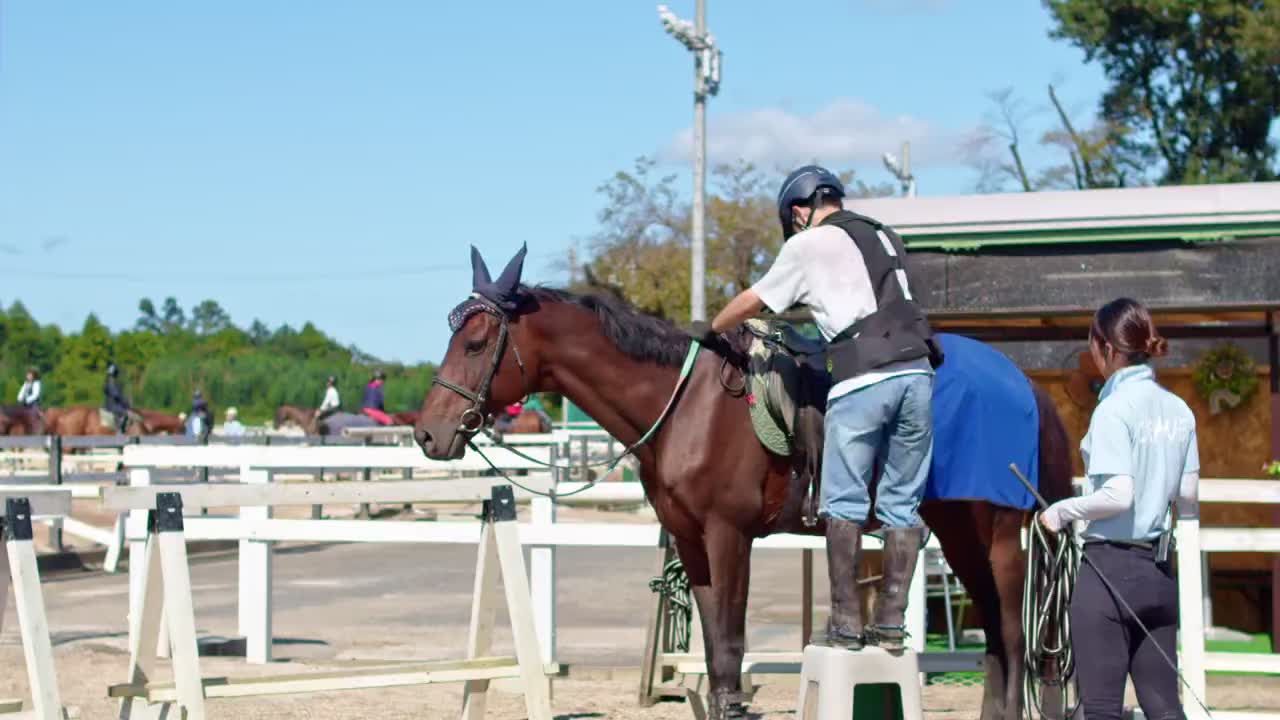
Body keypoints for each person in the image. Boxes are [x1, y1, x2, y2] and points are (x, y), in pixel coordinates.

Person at [708, 165, 941, 651]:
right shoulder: (883, 233)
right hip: (918, 373)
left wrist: (714, 326)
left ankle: (846, 623)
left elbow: (756, 301)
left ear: (799, 211)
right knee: (901, 502)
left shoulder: (806, 244)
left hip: (862, 376)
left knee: (843, 501)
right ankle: (892, 624)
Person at [1039, 298, 1197, 720]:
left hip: (1109, 572)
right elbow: (1187, 493)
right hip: (1159, 574)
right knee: (1165, 707)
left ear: (1104, 347)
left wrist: (1061, 512)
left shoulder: (1112, 410)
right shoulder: (1180, 410)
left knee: (1101, 710)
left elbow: (1117, 496)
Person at [103, 363, 132, 434]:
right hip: (112, 406)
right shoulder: (111, 382)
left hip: (111, 404)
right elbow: (116, 396)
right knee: (126, 413)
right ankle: (119, 432)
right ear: (115, 373)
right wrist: (126, 402)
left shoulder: (109, 381)